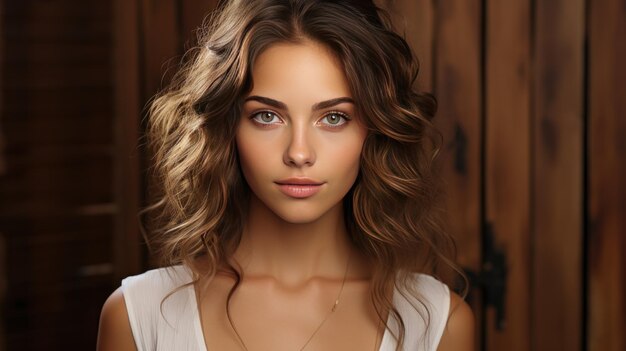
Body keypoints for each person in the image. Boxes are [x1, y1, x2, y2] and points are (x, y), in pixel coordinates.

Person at [97, 0, 474, 350]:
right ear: (227, 127)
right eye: (267, 116)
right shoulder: (137, 317)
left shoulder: (437, 323)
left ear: (374, 130)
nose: (298, 153)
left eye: (333, 118)